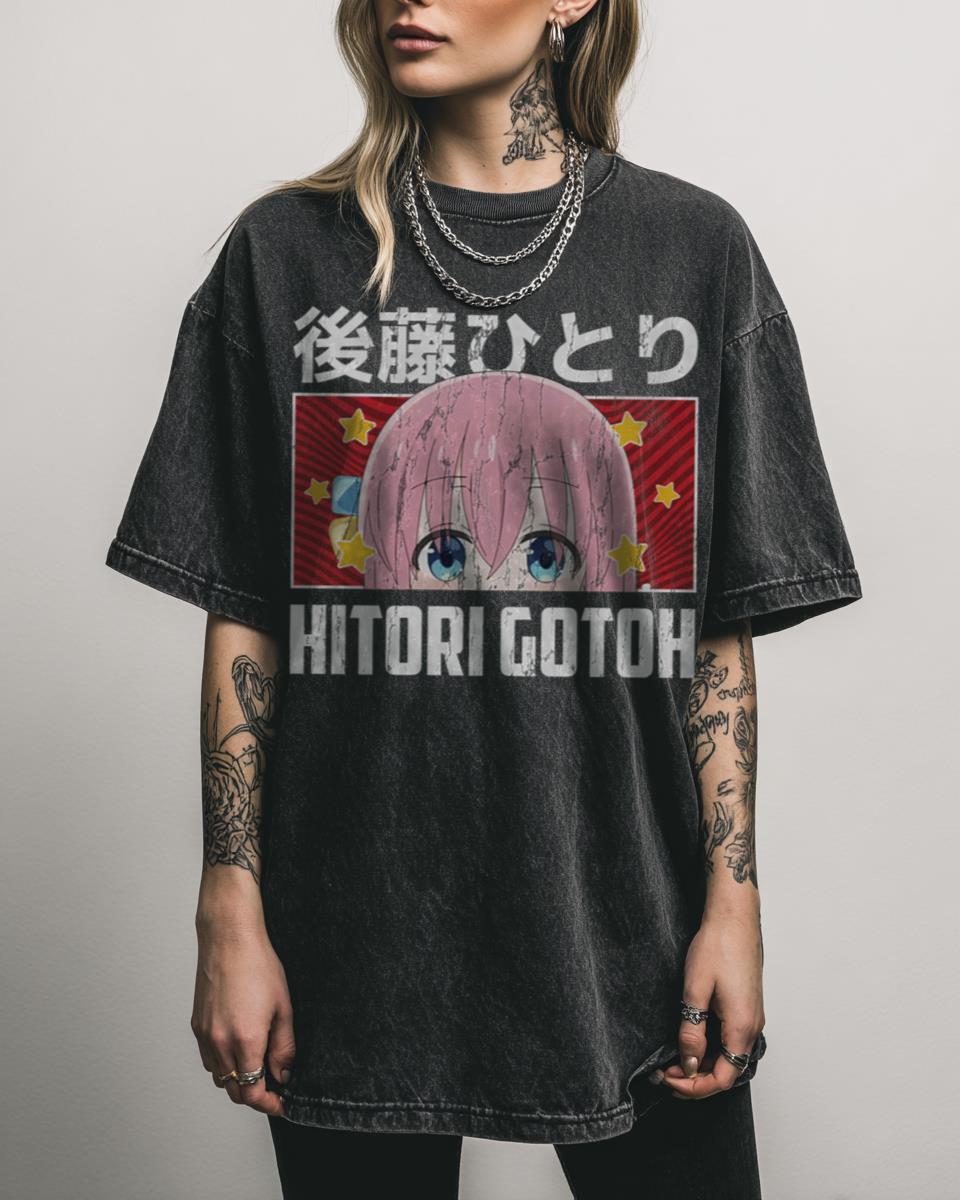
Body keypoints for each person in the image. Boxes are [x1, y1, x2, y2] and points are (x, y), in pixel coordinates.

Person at [103, 0, 863, 1195]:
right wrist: (229, 906)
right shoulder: (284, 254)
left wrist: (734, 903)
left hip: (632, 928)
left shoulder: (693, 250)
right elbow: (245, 609)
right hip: (350, 935)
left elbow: (714, 631)